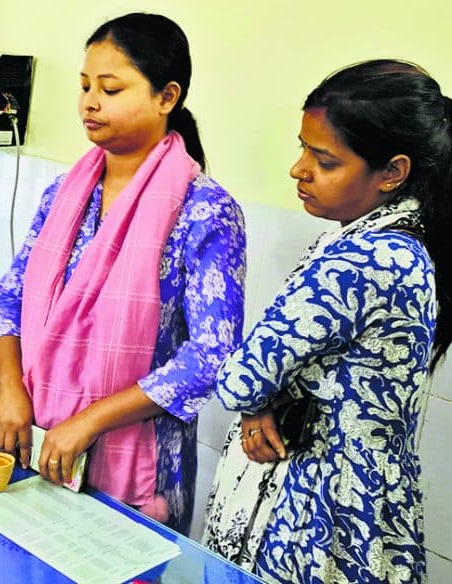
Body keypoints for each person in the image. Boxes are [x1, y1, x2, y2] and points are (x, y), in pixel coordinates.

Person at [0, 12, 246, 535]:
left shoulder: (205, 212)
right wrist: (11, 389)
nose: (89, 102)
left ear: (167, 97)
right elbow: (11, 296)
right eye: (84, 86)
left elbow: (212, 355)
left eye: (110, 89)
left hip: (140, 466)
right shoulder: (63, 195)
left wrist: (91, 419)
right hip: (41, 439)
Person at [203, 60, 450, 583]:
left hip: (319, 511)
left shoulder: (367, 258)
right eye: (303, 149)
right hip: (366, 501)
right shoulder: (400, 241)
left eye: (325, 160)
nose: (299, 170)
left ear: (392, 172)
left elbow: (241, 377)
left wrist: (256, 403)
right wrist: (262, 404)